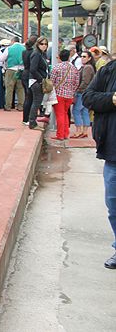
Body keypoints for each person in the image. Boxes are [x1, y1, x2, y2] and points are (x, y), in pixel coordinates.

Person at [82, 59, 116, 269]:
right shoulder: (109, 70)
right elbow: (88, 97)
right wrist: (112, 98)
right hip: (113, 154)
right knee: (114, 207)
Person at [49, 49, 79, 140]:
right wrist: (71, 91)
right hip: (69, 95)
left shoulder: (56, 67)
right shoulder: (74, 68)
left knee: (60, 115)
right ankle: (65, 133)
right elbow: (76, 83)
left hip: (58, 94)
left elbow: (51, 81)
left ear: (60, 57)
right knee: (65, 114)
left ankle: (60, 135)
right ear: (69, 57)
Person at [27, 36, 49, 130]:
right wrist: (41, 80)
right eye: (42, 44)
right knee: (36, 102)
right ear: (37, 44)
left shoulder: (41, 54)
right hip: (36, 81)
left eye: (45, 44)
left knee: (36, 102)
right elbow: (33, 69)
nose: (44, 46)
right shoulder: (36, 54)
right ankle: (32, 123)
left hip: (36, 80)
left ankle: (32, 121)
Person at [1, 36, 25, 111]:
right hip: (21, 70)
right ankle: (20, 106)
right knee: (21, 89)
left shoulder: (9, 48)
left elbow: (1, 58)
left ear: (12, 41)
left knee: (9, 88)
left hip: (11, 70)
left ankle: (8, 106)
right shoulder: (24, 48)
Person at [21, 35, 38, 125]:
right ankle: (28, 118)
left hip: (24, 74)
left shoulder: (24, 52)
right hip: (30, 76)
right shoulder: (34, 53)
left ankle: (25, 118)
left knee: (27, 97)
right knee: (31, 98)